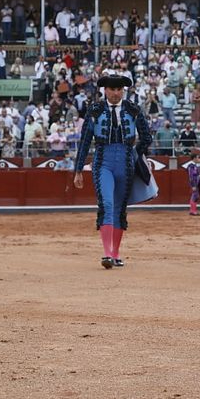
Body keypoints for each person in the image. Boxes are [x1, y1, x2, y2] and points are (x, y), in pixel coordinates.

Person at [73, 75, 152, 269]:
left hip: (126, 163)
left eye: (119, 90)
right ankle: (107, 253)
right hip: (103, 163)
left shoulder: (133, 109)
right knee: (107, 204)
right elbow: (85, 141)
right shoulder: (95, 110)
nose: (116, 93)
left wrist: (135, 154)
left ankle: (115, 253)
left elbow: (147, 137)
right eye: (112, 89)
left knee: (119, 208)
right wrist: (78, 170)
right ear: (105, 90)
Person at [187, 149, 200, 216]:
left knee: (195, 196)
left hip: (197, 183)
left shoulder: (195, 166)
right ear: (194, 158)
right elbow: (191, 176)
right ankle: (193, 211)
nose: (198, 159)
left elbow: (198, 174)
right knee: (195, 196)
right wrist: (193, 185)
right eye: (197, 158)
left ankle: (192, 210)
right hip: (194, 183)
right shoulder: (191, 166)